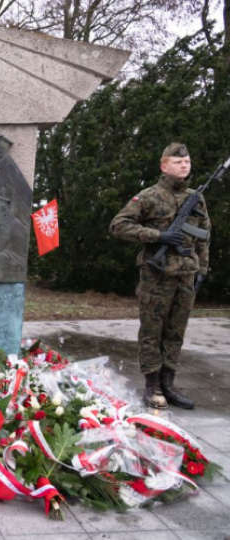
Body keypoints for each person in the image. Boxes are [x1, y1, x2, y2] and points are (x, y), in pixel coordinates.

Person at [110, 143, 210, 410]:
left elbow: (204, 237)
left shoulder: (196, 198)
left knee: (176, 331)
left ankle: (169, 383)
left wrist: (202, 270)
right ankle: (152, 385)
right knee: (152, 331)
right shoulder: (148, 196)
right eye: (178, 162)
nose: (184, 165)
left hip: (186, 274)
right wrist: (158, 236)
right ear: (163, 166)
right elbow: (119, 225)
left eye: (187, 161)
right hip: (157, 274)